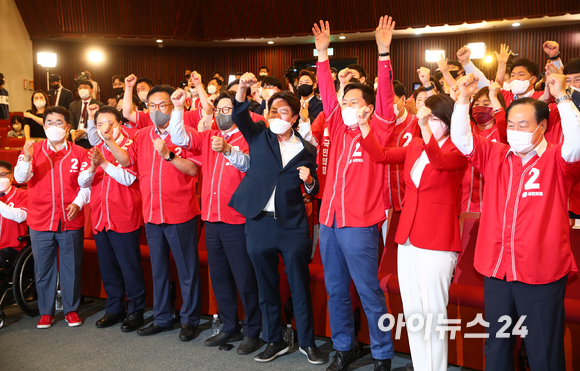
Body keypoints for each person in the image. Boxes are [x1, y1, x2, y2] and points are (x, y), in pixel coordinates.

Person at [450, 72, 580, 371]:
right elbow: (462, 139)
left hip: (540, 272)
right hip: (498, 269)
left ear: (543, 127)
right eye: (511, 124)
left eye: (524, 125)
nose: (516, 130)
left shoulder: (558, 160)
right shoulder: (495, 154)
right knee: (497, 343)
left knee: (542, 350)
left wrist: (562, 96)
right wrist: (462, 101)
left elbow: (577, 140)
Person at [360, 92, 467, 371]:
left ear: (447, 120)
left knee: (434, 313)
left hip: (437, 242)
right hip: (407, 238)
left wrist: (422, 128)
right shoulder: (417, 146)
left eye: (433, 118)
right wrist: (364, 128)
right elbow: (382, 156)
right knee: (414, 312)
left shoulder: (458, 150)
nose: (427, 122)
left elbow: (441, 161)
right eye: (425, 117)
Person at [313, 17, 395, 371]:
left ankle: (382, 354)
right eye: (344, 101)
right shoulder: (336, 125)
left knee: (368, 291)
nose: (346, 105)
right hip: (329, 223)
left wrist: (383, 52)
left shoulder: (379, 128)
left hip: (360, 225)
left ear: (369, 106)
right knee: (335, 290)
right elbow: (328, 93)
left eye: (354, 101)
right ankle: (344, 346)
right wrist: (321, 55)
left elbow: (387, 96)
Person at [229, 72, 323, 364]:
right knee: (266, 284)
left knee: (299, 284)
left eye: (283, 112)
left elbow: (315, 186)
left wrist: (309, 182)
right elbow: (240, 115)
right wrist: (243, 89)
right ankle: (273, 340)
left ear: (294, 118)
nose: (277, 116)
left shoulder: (308, 150)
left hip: (292, 225)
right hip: (259, 223)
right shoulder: (258, 135)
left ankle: (307, 342)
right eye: (273, 111)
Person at [168, 78, 262, 355]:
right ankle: (229, 325)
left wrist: (229, 150)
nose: (222, 114)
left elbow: (248, 165)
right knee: (219, 277)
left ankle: (252, 329)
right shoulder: (207, 137)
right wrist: (177, 108)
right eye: (218, 110)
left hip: (237, 221)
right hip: (211, 219)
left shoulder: (249, 135)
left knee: (244, 279)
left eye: (227, 109)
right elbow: (179, 139)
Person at [102, 84, 202, 342]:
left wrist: (168, 155)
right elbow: (126, 161)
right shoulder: (143, 134)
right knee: (158, 269)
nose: (157, 110)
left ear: (174, 107)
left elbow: (192, 169)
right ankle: (162, 318)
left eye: (163, 105)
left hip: (181, 213)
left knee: (186, 270)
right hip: (152, 213)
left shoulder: (186, 134)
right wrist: (110, 141)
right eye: (152, 106)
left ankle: (189, 320)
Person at [14, 105, 90, 329]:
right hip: (40, 220)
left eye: (59, 123)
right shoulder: (32, 150)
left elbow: (86, 185)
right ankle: (46, 312)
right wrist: (27, 158)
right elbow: (20, 177)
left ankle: (71, 310)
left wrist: (78, 202)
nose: (54, 127)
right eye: (49, 122)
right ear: (44, 125)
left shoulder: (79, 153)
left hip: (70, 219)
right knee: (43, 268)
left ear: (67, 127)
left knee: (71, 267)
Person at [78, 105, 146, 332]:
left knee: (129, 266)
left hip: (124, 215)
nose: (105, 128)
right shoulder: (95, 148)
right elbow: (84, 183)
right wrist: (92, 168)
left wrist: (104, 164)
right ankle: (114, 308)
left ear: (119, 124)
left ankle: (136, 310)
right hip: (100, 215)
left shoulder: (129, 144)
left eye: (110, 123)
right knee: (108, 267)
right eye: (100, 124)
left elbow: (127, 178)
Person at [460, 84, 508, 213]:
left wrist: (493, 96)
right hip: (465, 198)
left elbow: (503, 124)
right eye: (476, 104)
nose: (480, 107)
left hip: (493, 198)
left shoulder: (501, 132)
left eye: (486, 104)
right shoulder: (467, 130)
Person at [0, 160, 28, 269]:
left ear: (11, 176)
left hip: (12, 246)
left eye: (2, 175)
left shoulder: (23, 194)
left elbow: (21, 216)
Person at [69, 80, 104, 149]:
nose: (82, 90)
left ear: (91, 90)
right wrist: (72, 131)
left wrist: (85, 130)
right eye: (80, 88)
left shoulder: (99, 105)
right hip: (75, 138)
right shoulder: (73, 105)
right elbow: (71, 121)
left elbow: (99, 123)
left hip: (90, 139)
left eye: (85, 87)